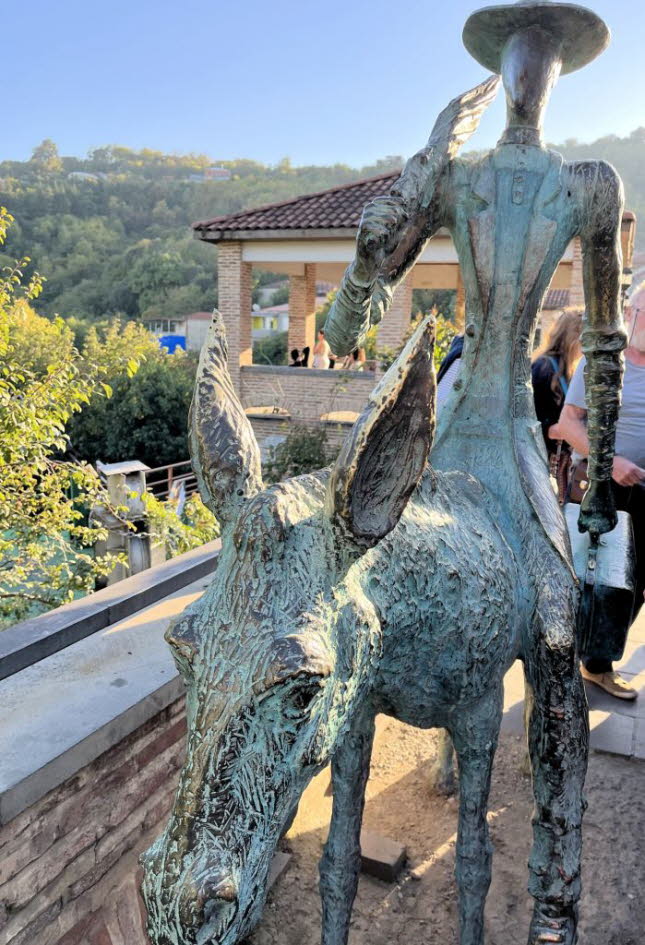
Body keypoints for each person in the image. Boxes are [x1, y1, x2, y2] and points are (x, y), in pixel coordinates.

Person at [559, 289, 645, 700]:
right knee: (593, 579)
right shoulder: (602, 362)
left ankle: (596, 659)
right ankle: (576, 664)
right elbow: (569, 425)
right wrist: (612, 464)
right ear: (629, 311)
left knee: (635, 584)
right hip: (601, 489)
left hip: (643, 494)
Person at [531, 308, 583, 501]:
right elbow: (531, 419)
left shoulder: (564, 369)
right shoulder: (545, 368)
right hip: (544, 460)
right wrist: (564, 429)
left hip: (557, 461)